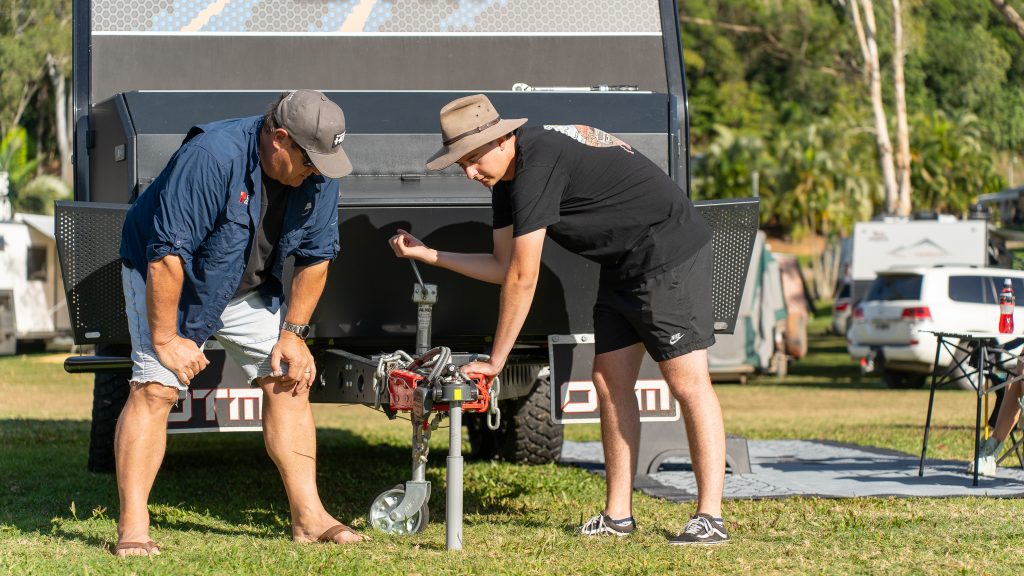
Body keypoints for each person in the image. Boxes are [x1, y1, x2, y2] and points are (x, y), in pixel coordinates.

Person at [389, 94, 729, 545]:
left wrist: (495, 361)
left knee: (687, 382)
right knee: (608, 382)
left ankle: (710, 516)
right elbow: (501, 264)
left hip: (668, 250)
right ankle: (618, 516)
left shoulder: (537, 163)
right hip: (623, 264)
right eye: (460, 165)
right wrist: (428, 254)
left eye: (473, 159)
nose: (470, 172)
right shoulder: (507, 183)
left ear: (503, 138)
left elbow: (522, 279)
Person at [114, 90, 366, 556]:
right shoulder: (211, 156)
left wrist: (293, 335)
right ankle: (133, 525)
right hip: (173, 276)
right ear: (280, 139)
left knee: (289, 381)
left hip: (246, 285)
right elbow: (167, 253)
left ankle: (309, 518)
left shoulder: (320, 165)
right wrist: (166, 339)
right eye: (310, 160)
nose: (318, 171)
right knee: (155, 388)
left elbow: (317, 257)